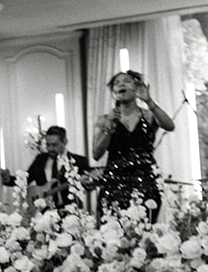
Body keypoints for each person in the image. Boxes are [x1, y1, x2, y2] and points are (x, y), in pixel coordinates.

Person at [93, 69, 176, 222]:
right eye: (117, 83)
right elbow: (96, 154)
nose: (121, 85)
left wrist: (149, 101)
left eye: (126, 81)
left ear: (136, 88)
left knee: (145, 227)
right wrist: (109, 127)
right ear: (113, 92)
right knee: (113, 229)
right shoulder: (105, 119)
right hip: (114, 181)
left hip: (146, 180)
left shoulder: (149, 115)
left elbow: (170, 126)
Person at [25, 126, 94, 209]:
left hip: (71, 211)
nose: (50, 148)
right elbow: (26, 179)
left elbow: (89, 186)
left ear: (65, 142)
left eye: (54, 145)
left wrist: (88, 183)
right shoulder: (40, 159)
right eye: (48, 144)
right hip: (44, 211)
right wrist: (11, 179)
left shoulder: (79, 161)